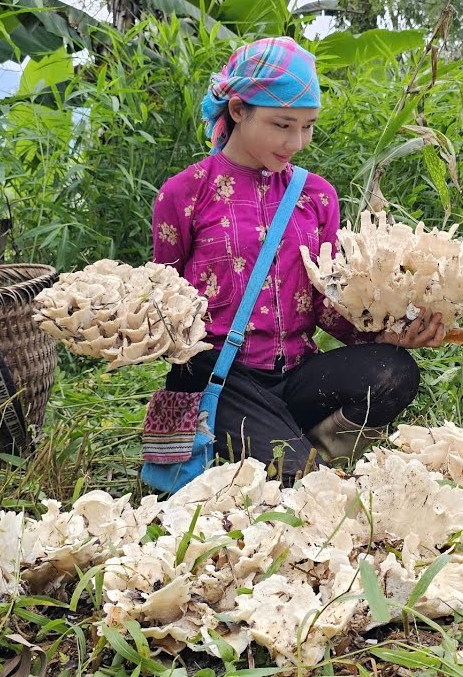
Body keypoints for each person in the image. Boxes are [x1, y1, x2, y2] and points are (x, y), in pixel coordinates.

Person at [141, 36, 445, 493]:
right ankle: (284, 454)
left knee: (393, 372)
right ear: (239, 110)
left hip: (296, 373)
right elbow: (165, 302)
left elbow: (327, 302)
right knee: (296, 478)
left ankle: (288, 446)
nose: (296, 142)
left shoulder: (316, 196)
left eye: (307, 127)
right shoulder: (186, 194)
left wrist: (386, 333)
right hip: (220, 378)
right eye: (283, 125)